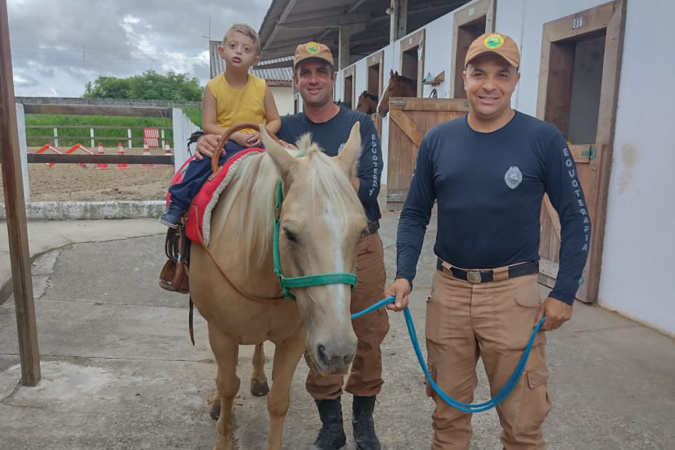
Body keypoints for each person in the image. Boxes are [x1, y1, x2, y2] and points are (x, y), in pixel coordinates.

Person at [385, 32, 591, 449]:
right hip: (449, 296)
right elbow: (413, 214)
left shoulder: (543, 139)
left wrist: (564, 291)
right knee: (447, 421)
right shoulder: (439, 141)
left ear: (517, 80)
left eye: (502, 73)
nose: (489, 84)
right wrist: (404, 275)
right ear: (464, 78)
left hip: (512, 297)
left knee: (523, 427)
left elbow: (576, 218)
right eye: (479, 73)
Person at [196, 41, 389, 450]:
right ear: (296, 80)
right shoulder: (281, 127)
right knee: (312, 328)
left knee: (367, 334)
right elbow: (245, 156)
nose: (314, 79)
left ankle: (365, 423)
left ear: (334, 77)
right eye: (306, 72)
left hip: (358, 243)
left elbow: (369, 190)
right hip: (305, 247)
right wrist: (206, 142)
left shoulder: (359, 125)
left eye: (322, 71)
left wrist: (322, 175)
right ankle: (331, 424)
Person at [159, 23, 280, 228]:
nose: (239, 51)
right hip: (226, 141)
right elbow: (209, 125)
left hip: (256, 143)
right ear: (222, 52)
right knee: (202, 161)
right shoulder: (213, 87)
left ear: (255, 60)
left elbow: (275, 120)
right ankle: (178, 204)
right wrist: (233, 136)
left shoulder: (262, 87)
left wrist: (263, 133)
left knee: (286, 164)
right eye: (233, 46)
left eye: (246, 49)